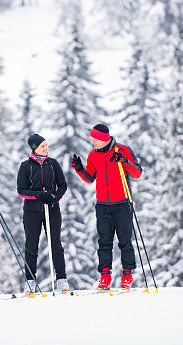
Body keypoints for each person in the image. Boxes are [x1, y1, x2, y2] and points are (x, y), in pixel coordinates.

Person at [70, 124, 142, 290]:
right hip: (103, 205)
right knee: (104, 242)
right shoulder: (93, 155)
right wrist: (79, 169)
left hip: (122, 203)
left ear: (103, 138)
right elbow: (90, 178)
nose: (91, 141)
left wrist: (124, 161)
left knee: (125, 241)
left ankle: (127, 275)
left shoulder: (122, 150)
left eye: (94, 138)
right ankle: (105, 277)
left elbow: (137, 172)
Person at [17, 133, 69, 293]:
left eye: (46, 145)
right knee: (31, 245)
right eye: (42, 146)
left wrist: (55, 198)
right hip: (32, 211)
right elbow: (21, 190)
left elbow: (63, 185)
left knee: (56, 244)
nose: (46, 148)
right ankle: (30, 281)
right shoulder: (25, 166)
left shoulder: (53, 164)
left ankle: (61, 279)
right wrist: (38, 195)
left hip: (52, 209)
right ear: (34, 148)